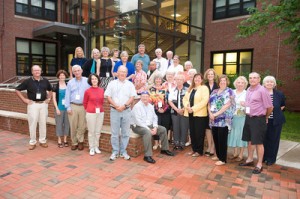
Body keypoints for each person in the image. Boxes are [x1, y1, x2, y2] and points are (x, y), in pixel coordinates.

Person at [239, 72, 273, 174]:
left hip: (258, 119)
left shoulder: (262, 90)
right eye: (250, 78)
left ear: (259, 79)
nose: (252, 79)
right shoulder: (249, 89)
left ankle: (259, 164)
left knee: (258, 142)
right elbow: (250, 103)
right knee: (250, 140)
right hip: (249, 118)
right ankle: (249, 159)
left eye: (255, 78)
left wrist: (265, 117)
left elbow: (270, 107)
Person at [15, 65, 52, 150]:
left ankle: (42, 141)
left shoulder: (45, 80)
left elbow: (50, 90)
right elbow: (17, 90)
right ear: (32, 72)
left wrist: (49, 98)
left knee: (43, 123)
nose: (37, 72)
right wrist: (24, 100)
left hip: (43, 104)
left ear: (41, 71)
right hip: (33, 105)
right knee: (33, 123)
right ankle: (32, 142)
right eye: (35, 70)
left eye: (38, 70)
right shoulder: (28, 81)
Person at [131, 91, 174, 164]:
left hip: (149, 125)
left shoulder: (150, 106)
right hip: (137, 126)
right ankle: (147, 156)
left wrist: (155, 127)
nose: (145, 98)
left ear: (149, 98)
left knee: (163, 129)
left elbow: (155, 117)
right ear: (140, 97)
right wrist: (149, 129)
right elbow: (138, 121)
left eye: (146, 96)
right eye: (143, 96)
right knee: (147, 132)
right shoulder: (137, 107)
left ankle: (164, 149)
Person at [105, 66, 137, 161]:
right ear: (117, 73)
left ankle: (123, 151)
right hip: (114, 111)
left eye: (124, 72)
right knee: (114, 133)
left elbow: (132, 97)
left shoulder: (130, 84)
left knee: (125, 133)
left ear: (126, 73)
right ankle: (115, 151)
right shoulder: (112, 83)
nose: (122, 73)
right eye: (120, 71)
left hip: (126, 111)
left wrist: (124, 106)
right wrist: (116, 106)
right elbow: (108, 97)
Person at [208, 75, 235, 166]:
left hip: (224, 120)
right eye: (221, 80)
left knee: (222, 140)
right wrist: (210, 113)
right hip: (213, 120)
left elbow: (227, 105)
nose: (222, 82)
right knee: (216, 138)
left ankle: (223, 159)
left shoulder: (229, 91)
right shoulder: (214, 91)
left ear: (227, 82)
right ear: (218, 82)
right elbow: (209, 103)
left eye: (224, 80)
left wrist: (215, 114)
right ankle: (218, 155)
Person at [183, 73, 209, 157]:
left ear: (201, 80)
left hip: (200, 115)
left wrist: (193, 108)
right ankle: (194, 150)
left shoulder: (204, 88)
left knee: (199, 133)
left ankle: (199, 151)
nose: (197, 79)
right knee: (193, 133)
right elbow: (185, 99)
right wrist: (187, 106)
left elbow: (204, 101)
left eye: (199, 78)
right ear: (193, 79)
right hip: (190, 114)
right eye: (195, 78)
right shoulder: (191, 88)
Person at [65, 65, 90, 151]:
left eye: (78, 70)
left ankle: (80, 141)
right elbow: (67, 95)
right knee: (73, 125)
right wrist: (68, 107)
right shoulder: (70, 82)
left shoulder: (87, 81)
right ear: (73, 72)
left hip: (83, 107)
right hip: (73, 106)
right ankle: (74, 142)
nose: (77, 72)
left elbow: (90, 93)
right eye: (75, 71)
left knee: (82, 125)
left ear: (82, 71)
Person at [262, 76, 285, 166]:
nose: (269, 83)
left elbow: (282, 105)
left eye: (271, 82)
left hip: (276, 121)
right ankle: (264, 157)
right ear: (264, 83)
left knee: (274, 139)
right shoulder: (261, 93)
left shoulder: (279, 94)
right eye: (267, 82)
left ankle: (271, 159)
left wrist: (275, 112)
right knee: (264, 139)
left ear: (274, 84)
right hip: (263, 120)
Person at [227, 76, 248, 162]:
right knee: (234, 134)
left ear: (245, 84)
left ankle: (241, 154)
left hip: (242, 117)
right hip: (232, 117)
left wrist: (246, 106)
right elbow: (228, 104)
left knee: (241, 135)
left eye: (242, 83)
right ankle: (235, 153)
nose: (240, 84)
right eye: (238, 82)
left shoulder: (247, 93)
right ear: (235, 83)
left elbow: (250, 106)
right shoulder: (232, 92)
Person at [83, 74, 105, 156]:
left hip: (100, 112)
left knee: (98, 131)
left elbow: (102, 101)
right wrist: (89, 109)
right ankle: (91, 147)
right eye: (92, 79)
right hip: (91, 113)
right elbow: (85, 102)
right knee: (91, 131)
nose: (94, 80)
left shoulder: (101, 90)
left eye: (95, 79)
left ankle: (96, 146)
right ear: (90, 81)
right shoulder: (87, 91)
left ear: (98, 80)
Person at [149, 75, 170, 150]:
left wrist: (164, 109)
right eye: (156, 79)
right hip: (155, 111)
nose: (158, 81)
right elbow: (150, 101)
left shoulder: (165, 89)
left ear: (162, 81)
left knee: (164, 126)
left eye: (159, 79)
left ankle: (161, 142)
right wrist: (157, 109)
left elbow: (168, 101)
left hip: (165, 111)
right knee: (156, 126)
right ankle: (156, 143)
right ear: (154, 80)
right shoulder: (151, 89)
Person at [168, 74, 189, 150]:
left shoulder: (188, 90)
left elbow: (189, 101)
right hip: (175, 111)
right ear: (175, 81)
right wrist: (177, 109)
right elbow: (170, 101)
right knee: (175, 127)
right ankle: (176, 143)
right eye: (177, 79)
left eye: (180, 79)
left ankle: (182, 144)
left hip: (185, 111)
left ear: (183, 81)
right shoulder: (173, 90)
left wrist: (183, 109)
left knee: (184, 127)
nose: (179, 81)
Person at [52, 70, 70, 148]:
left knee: (67, 124)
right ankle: (59, 140)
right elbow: (54, 99)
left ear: (65, 76)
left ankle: (65, 139)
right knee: (59, 124)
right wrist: (57, 108)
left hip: (67, 108)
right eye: (60, 75)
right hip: (59, 108)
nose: (62, 77)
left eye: (63, 75)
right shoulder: (55, 86)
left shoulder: (68, 85)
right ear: (58, 76)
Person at [204, 68, 219, 157]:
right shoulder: (204, 85)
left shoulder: (218, 85)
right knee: (208, 129)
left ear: (214, 76)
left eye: (212, 74)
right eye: (209, 74)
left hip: (216, 111)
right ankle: (209, 146)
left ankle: (213, 147)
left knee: (214, 129)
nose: (210, 76)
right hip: (206, 110)